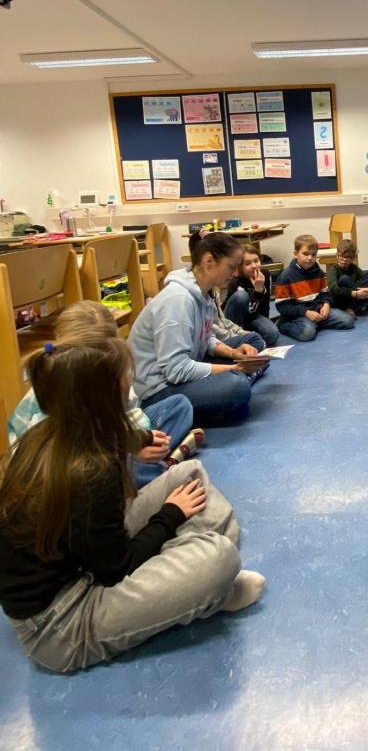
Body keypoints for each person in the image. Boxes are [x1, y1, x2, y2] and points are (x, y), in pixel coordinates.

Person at [0, 339, 265, 673]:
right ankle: (205, 588)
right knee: (220, 557)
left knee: (190, 473)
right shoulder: (91, 472)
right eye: (124, 379)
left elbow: (113, 435)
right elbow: (118, 568)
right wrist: (171, 515)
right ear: (102, 400)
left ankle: (192, 582)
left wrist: (139, 440)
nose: (131, 382)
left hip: (83, 563)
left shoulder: (49, 432)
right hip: (61, 625)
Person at [7, 300, 199, 486]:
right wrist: (130, 452)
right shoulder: (55, 395)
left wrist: (140, 439)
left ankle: (155, 468)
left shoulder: (113, 376)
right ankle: (157, 469)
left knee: (179, 406)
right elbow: (66, 457)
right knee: (117, 472)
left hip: (114, 440)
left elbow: (129, 413)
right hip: (79, 465)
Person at [129, 230, 268, 424]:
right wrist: (234, 368)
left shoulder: (205, 292)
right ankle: (240, 380)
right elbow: (176, 369)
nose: (236, 273)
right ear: (209, 261)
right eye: (231, 267)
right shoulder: (178, 300)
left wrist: (234, 353)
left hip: (188, 364)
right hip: (158, 391)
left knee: (253, 342)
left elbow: (205, 336)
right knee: (237, 386)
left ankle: (239, 379)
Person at [274, 233, 355, 341]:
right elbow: (282, 306)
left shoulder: (319, 272)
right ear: (295, 254)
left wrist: (326, 304)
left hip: (318, 310)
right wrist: (306, 313)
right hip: (300, 314)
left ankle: (315, 324)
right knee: (307, 334)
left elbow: (325, 294)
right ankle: (283, 325)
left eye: (313, 254)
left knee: (348, 321)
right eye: (305, 254)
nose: (310, 258)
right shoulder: (285, 277)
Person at [222, 245, 279, 346]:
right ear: (240, 267)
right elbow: (246, 309)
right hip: (234, 318)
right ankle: (237, 338)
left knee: (272, 334)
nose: (254, 266)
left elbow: (265, 305)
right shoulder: (236, 281)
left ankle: (249, 337)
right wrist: (258, 291)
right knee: (241, 296)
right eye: (248, 263)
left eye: (256, 261)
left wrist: (265, 322)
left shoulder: (265, 275)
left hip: (253, 315)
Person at [325, 239, 368, 316]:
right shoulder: (333, 269)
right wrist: (355, 293)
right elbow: (333, 290)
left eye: (348, 257)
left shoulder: (353, 267)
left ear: (353, 258)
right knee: (344, 279)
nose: (344, 259)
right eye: (342, 256)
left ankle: (359, 305)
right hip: (342, 299)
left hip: (354, 295)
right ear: (337, 255)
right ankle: (364, 305)